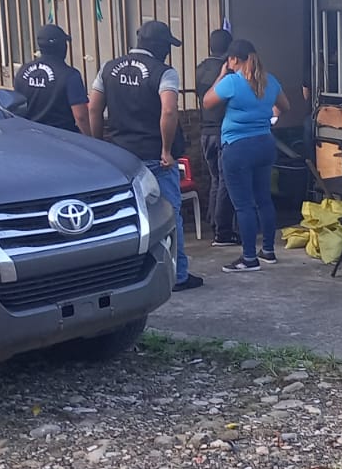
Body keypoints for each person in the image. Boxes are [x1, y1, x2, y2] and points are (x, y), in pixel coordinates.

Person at [89, 20, 203, 291]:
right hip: (156, 157)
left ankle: (127, 275)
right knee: (169, 214)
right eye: (168, 46)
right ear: (161, 46)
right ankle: (177, 275)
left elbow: (93, 108)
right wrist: (166, 149)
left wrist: (98, 146)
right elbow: (169, 111)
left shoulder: (108, 68)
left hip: (122, 158)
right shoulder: (164, 72)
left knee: (125, 217)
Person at [203, 39, 290, 273]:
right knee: (264, 199)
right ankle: (268, 251)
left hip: (238, 147)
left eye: (229, 61)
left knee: (243, 205)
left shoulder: (232, 81)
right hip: (264, 144)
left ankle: (249, 258)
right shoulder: (269, 81)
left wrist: (221, 75)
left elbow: (207, 102)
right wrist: (268, 116)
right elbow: (285, 106)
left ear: (233, 59)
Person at [195, 29, 239, 247]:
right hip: (223, 131)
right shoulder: (228, 72)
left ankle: (213, 221)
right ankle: (223, 230)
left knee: (215, 180)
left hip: (205, 132)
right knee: (226, 182)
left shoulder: (200, 68)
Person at [12, 24, 90, 135]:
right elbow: (81, 116)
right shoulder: (70, 75)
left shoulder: (23, 71)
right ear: (62, 46)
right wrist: (90, 138)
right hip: (62, 136)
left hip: (30, 135)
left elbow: (16, 105)